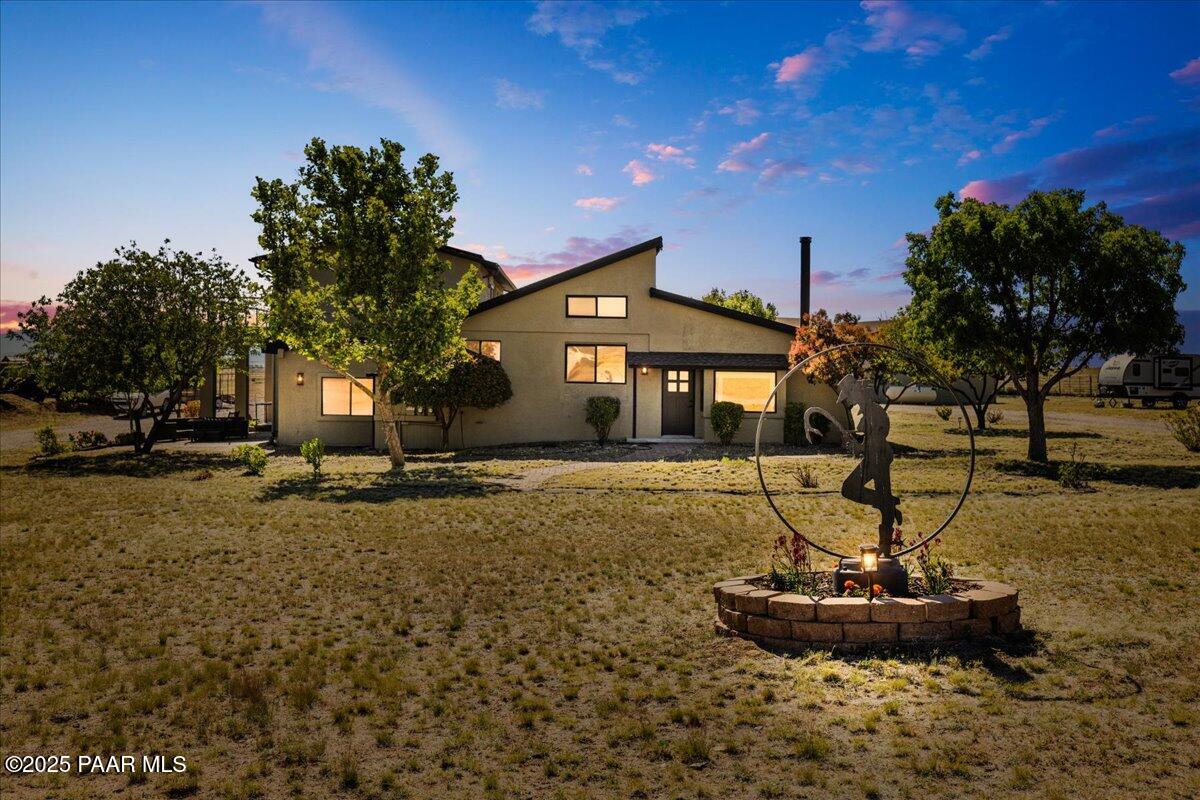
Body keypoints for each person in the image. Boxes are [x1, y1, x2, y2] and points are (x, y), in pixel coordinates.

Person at [836, 374, 902, 554]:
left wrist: (858, 446)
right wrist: (856, 445)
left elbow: (878, 440)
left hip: (878, 459)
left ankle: (885, 545)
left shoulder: (874, 412)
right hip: (873, 457)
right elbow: (868, 443)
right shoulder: (866, 412)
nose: (849, 401)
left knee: (851, 489)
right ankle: (887, 503)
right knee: (850, 489)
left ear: (857, 393)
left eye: (849, 397)